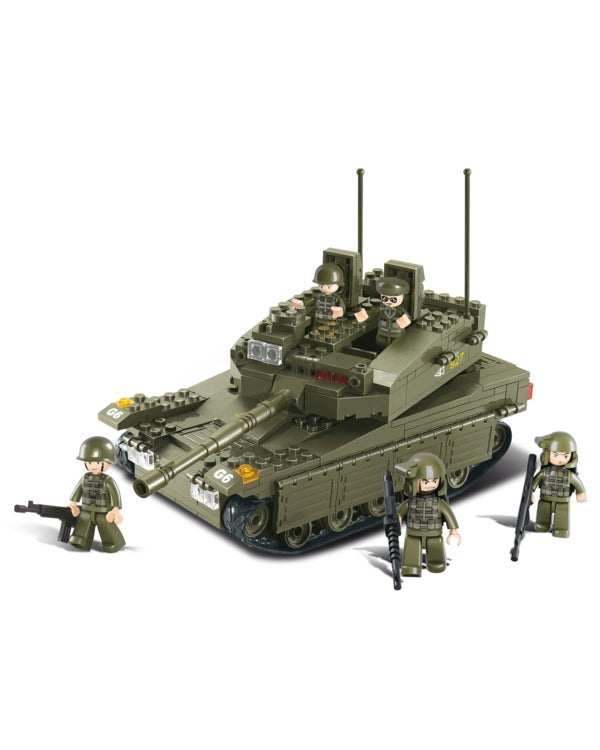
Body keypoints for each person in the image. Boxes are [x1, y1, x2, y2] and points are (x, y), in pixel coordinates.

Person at [394, 452, 461, 576]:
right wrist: (396, 520)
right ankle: (411, 567)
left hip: (434, 533)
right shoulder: (410, 503)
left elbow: (448, 514)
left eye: (434, 480)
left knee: (436, 552)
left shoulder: (439, 503)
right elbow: (399, 513)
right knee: (412, 551)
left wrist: (453, 531)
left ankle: (436, 563)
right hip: (413, 533)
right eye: (425, 481)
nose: (430, 484)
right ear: (413, 482)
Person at [67, 436, 126, 552]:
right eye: (89, 462)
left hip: (103, 512)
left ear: (107, 462)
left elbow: (115, 496)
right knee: (83, 525)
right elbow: (78, 491)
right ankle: (80, 541)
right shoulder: (84, 478)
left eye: (98, 462)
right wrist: (73, 504)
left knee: (107, 528)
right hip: (86, 510)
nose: (93, 465)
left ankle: (113, 544)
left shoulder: (107, 481)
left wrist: (115, 511)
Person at [531, 431, 587, 538]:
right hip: (545, 498)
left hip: (563, 501)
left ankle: (561, 529)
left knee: (562, 516)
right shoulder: (544, 472)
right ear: (547, 454)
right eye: (555, 455)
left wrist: (581, 493)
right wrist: (531, 492)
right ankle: (542, 525)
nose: (560, 459)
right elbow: (535, 482)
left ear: (572, 456)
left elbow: (577, 482)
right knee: (543, 511)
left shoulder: (569, 475)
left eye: (565, 456)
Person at [355, 277, 411, 347]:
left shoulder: (400, 311)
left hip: (396, 334)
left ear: (403, 297)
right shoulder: (381, 310)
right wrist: (365, 316)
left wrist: (405, 320)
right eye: (385, 298)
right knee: (380, 345)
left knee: (396, 347)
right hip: (382, 333)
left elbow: (407, 319)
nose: (389, 302)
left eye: (393, 299)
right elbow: (372, 315)